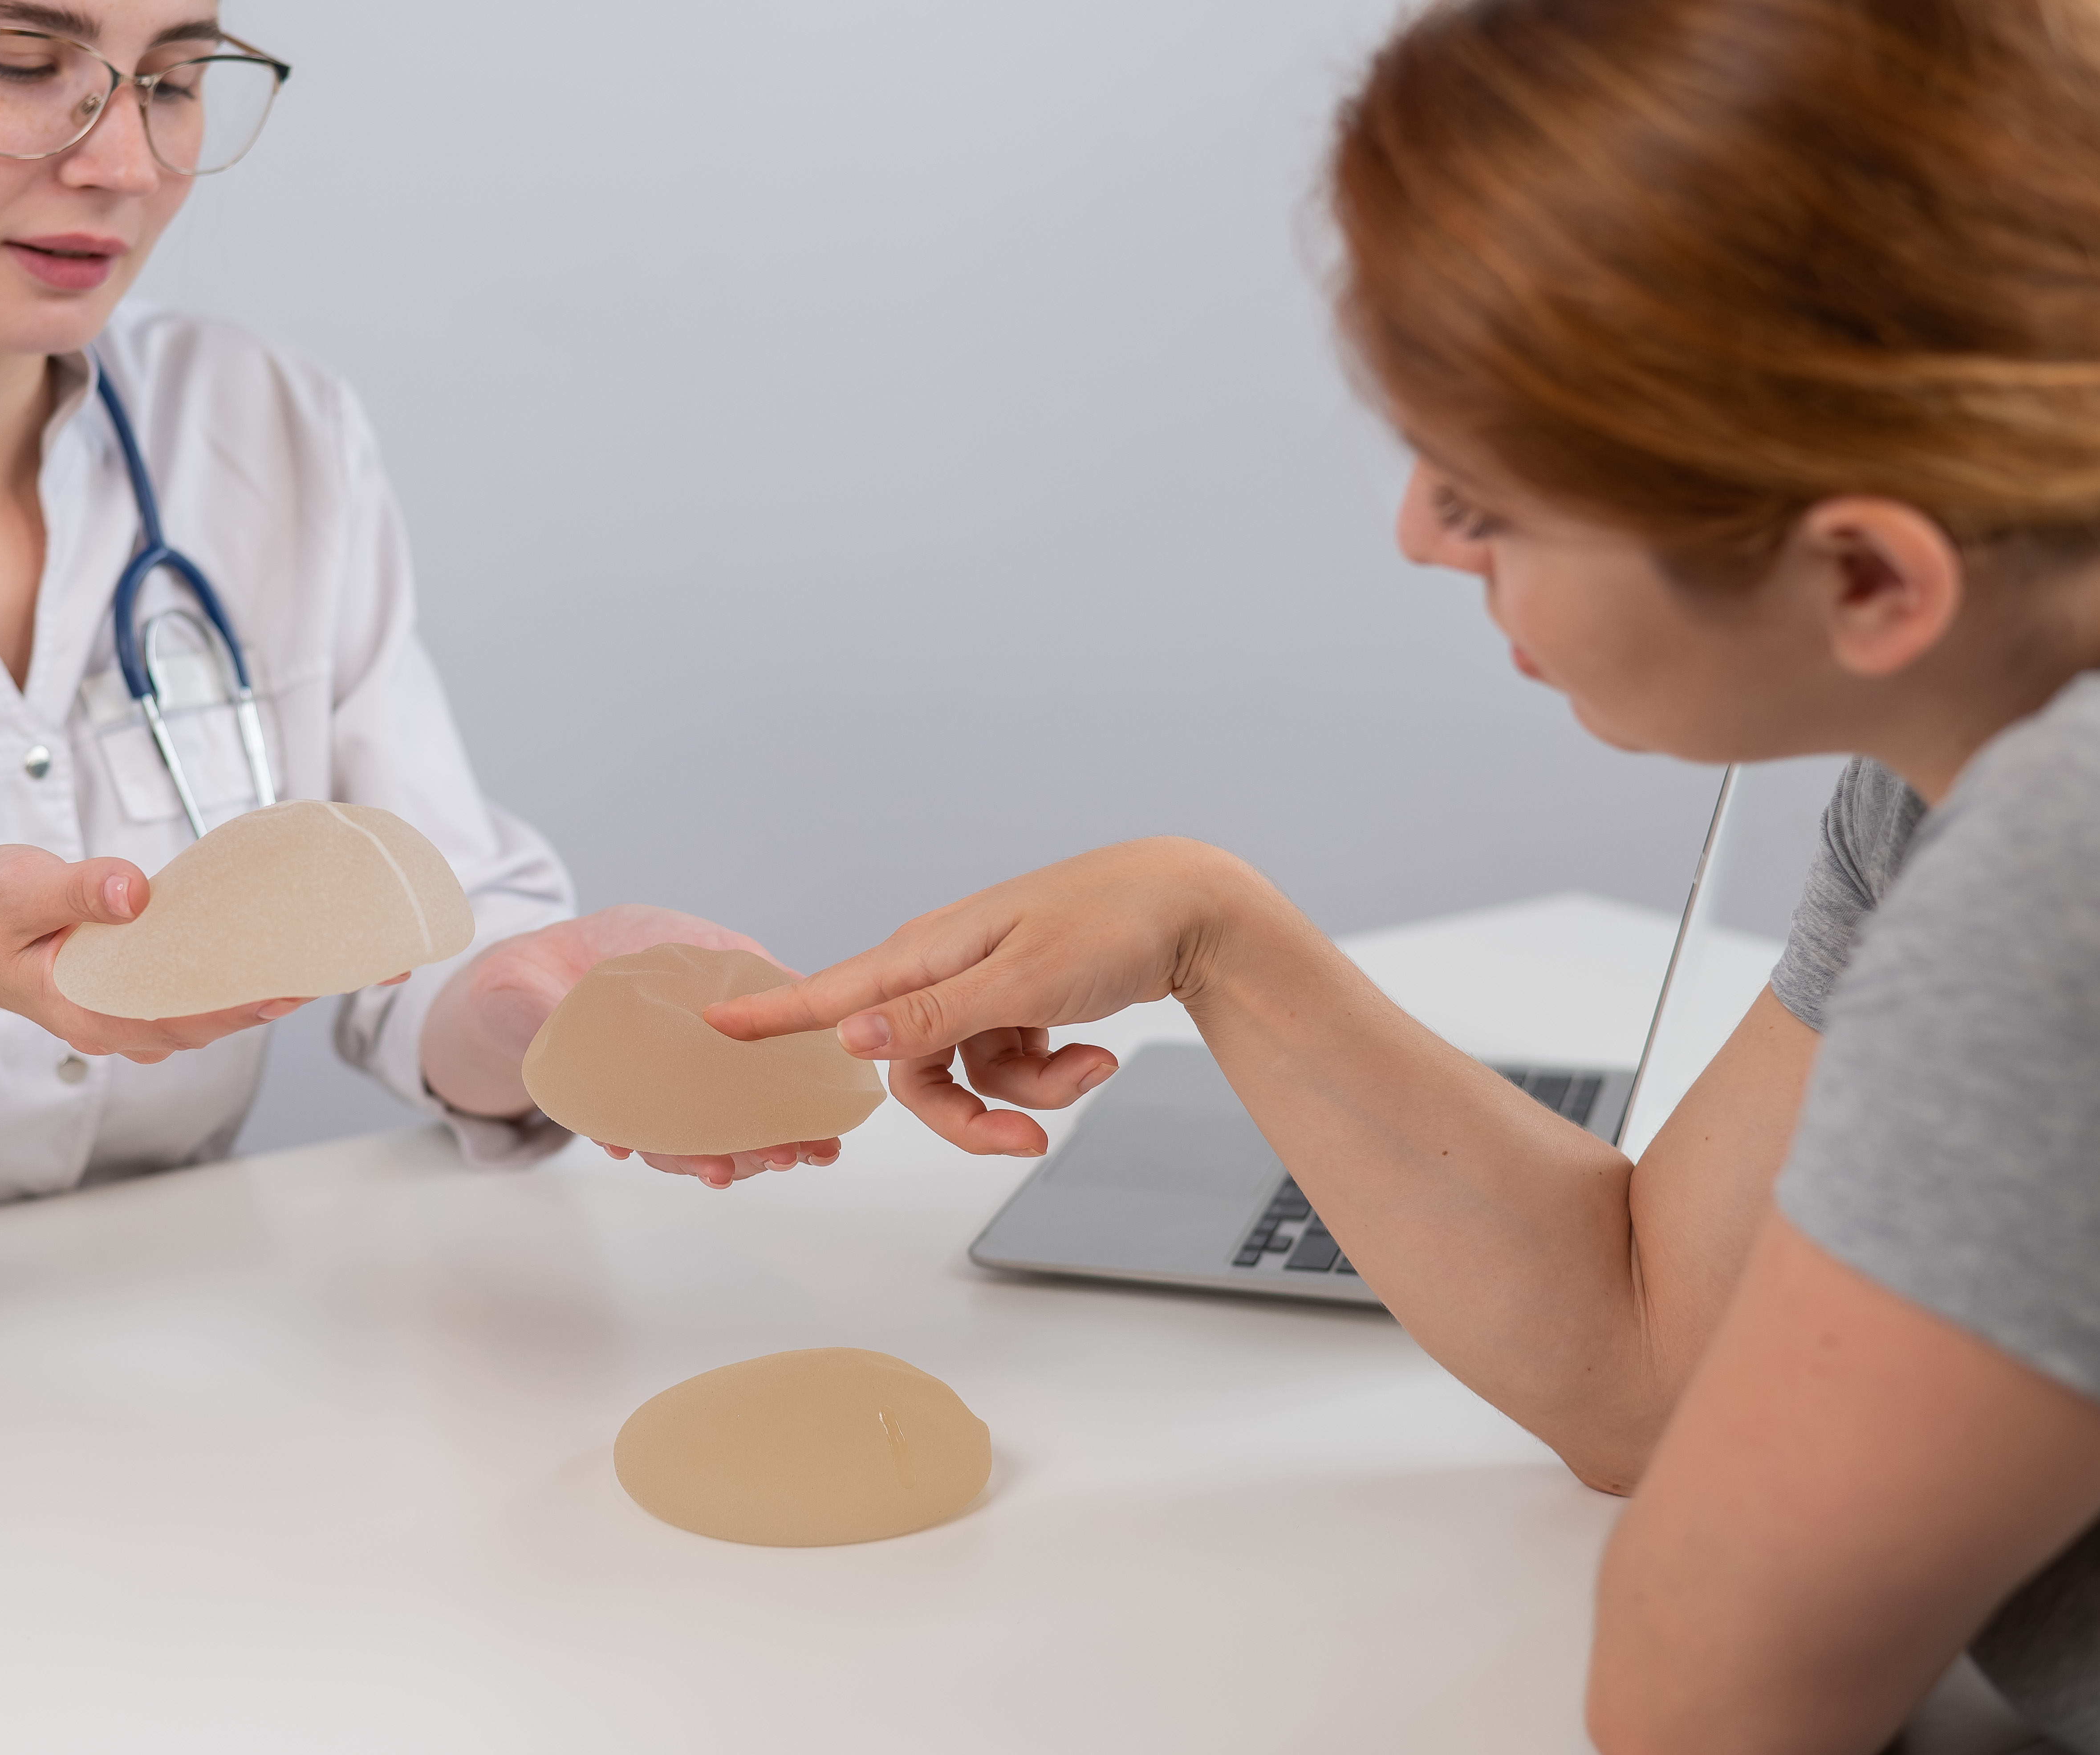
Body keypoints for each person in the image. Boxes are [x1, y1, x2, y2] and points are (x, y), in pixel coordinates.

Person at [708, 0, 2100, 1748]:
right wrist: (1206, 925)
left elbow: (1707, 1709)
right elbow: (1653, 1370)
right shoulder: (1966, 754)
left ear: (1868, 581)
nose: (1420, 536)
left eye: (1491, 496)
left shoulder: (2066, 859)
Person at [0, 0, 834, 1371]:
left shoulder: (267, 428)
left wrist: (534, 1009)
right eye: (18, 60)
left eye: (176, 81)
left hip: (176, 1400)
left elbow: (421, 975)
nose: (122, 160)